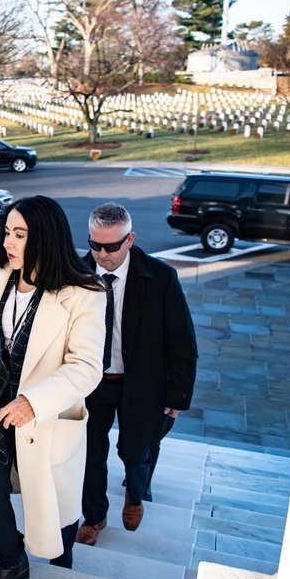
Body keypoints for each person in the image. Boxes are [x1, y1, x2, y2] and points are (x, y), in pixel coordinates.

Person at [0, 196, 105, 579]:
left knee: (55, 503)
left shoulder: (86, 292)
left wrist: (33, 402)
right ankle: (12, 559)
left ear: (45, 237)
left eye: (19, 234)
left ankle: (62, 562)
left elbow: (86, 367)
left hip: (46, 416)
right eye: (7, 232)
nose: (8, 243)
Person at [75, 202, 198, 546]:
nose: (102, 254)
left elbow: (182, 341)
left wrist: (178, 396)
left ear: (130, 239)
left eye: (111, 246)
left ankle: (135, 494)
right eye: (94, 244)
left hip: (142, 385)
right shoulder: (76, 274)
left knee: (137, 451)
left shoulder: (160, 277)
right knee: (88, 455)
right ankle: (94, 516)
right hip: (91, 384)